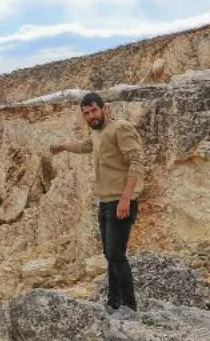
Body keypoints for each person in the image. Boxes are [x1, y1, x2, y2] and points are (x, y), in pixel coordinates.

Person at [50, 92, 145, 320]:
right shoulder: (97, 133)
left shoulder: (120, 128)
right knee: (109, 254)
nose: (91, 116)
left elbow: (136, 161)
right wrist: (63, 146)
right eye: (86, 113)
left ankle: (129, 307)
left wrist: (125, 199)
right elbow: (85, 146)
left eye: (94, 110)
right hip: (105, 202)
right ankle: (113, 303)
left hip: (120, 202)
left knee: (116, 254)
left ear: (105, 108)